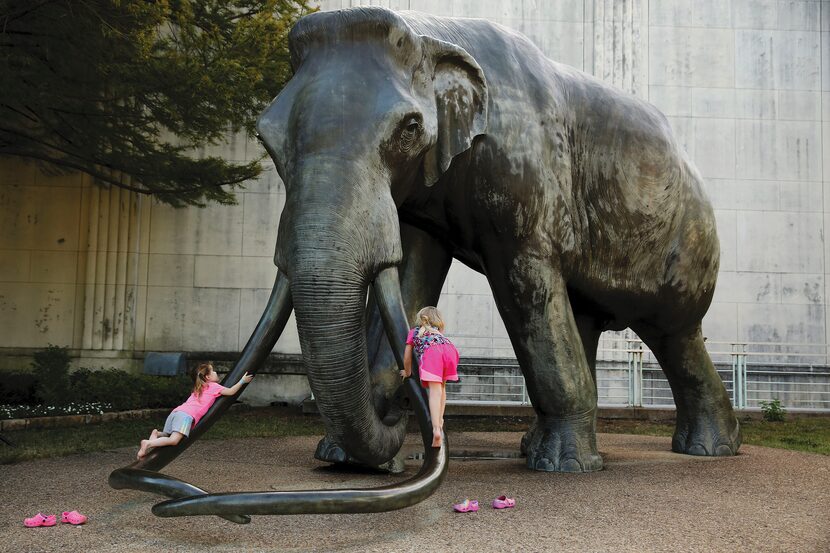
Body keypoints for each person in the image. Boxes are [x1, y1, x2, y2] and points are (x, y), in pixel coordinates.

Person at [137, 362, 253, 459]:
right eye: (213, 371)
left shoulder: (198, 388)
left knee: (166, 435)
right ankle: (148, 443)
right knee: (174, 440)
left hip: (176, 412)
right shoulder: (213, 386)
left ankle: (156, 434)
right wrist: (242, 381)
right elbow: (231, 391)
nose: (215, 373)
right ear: (208, 377)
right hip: (186, 416)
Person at [400, 306, 459, 448]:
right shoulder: (438, 332)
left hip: (433, 354)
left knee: (434, 392)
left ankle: (436, 430)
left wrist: (407, 372)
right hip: (450, 350)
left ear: (420, 318)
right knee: (442, 388)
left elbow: (407, 357)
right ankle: (440, 420)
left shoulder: (414, 332)